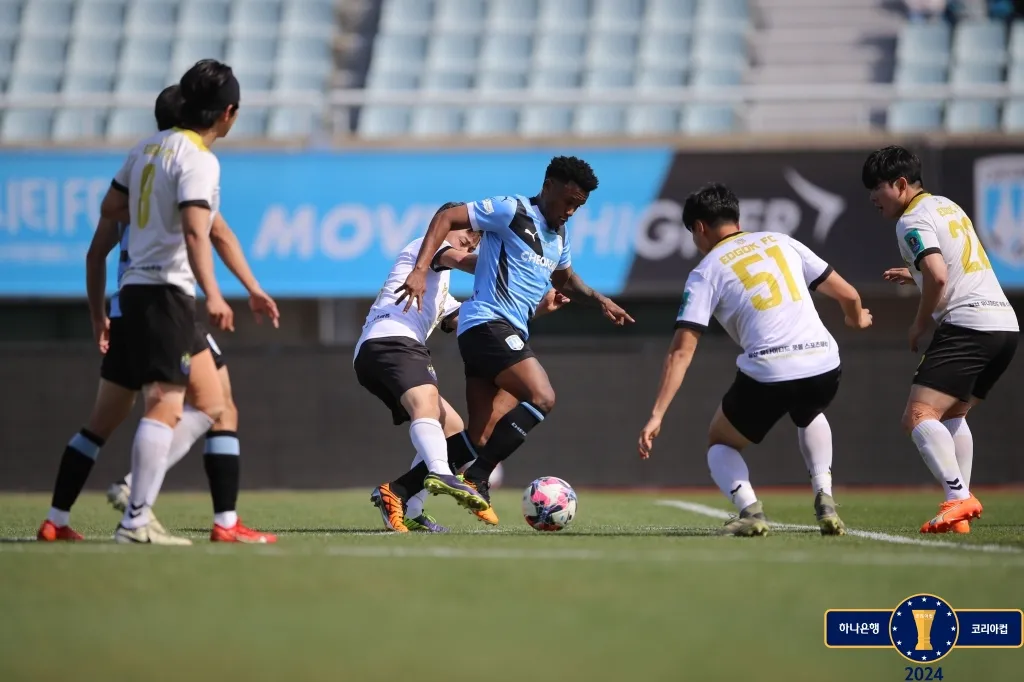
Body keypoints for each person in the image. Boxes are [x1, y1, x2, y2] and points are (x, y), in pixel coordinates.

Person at [38, 83, 278, 544]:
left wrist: (97, 315)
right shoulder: (186, 166)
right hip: (166, 302)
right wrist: (225, 292)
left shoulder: (141, 168)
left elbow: (95, 253)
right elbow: (211, 234)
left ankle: (56, 517)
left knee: (102, 422)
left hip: (127, 303)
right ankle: (151, 505)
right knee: (206, 406)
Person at [396, 157, 633, 523]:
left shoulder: (559, 236)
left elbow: (564, 278)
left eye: (579, 206)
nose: (570, 211)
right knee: (542, 396)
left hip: (503, 333)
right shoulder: (511, 210)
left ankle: (398, 491)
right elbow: (447, 218)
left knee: (478, 436)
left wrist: (600, 300)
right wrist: (419, 269)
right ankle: (477, 476)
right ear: (549, 185)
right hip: (487, 325)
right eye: (568, 201)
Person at [637, 183, 873, 537]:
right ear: (736, 217)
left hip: (770, 371)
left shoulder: (706, 270)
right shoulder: (782, 241)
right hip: (824, 364)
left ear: (700, 227)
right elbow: (849, 295)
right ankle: (824, 496)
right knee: (808, 411)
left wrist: (657, 415)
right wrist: (856, 319)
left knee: (721, 442)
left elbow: (682, 350)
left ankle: (750, 510)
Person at [95, 59, 246, 544]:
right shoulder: (196, 158)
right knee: (167, 404)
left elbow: (111, 211)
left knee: (215, 403)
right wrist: (217, 294)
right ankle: (135, 513)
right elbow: (198, 231)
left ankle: (168, 509)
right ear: (229, 112)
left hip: (143, 290)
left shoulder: (148, 149)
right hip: (166, 292)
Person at [359, 203, 568, 532]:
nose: (470, 244)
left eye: (475, 243)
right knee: (426, 404)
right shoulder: (425, 249)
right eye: (467, 236)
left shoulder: (440, 289)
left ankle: (404, 501)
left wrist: (537, 309)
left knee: (455, 429)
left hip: (387, 349)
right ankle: (442, 473)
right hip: (390, 341)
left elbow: (471, 318)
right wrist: (513, 262)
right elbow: (459, 260)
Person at [864, 145, 1018, 534]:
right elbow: (950, 262)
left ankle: (957, 498)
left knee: (917, 416)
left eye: (876, 189)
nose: (872, 199)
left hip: (966, 324)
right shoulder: (947, 206)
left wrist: (919, 324)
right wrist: (913, 273)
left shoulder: (910, 220)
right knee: (953, 414)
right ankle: (959, 515)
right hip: (1003, 326)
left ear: (900, 185)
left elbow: (938, 274)